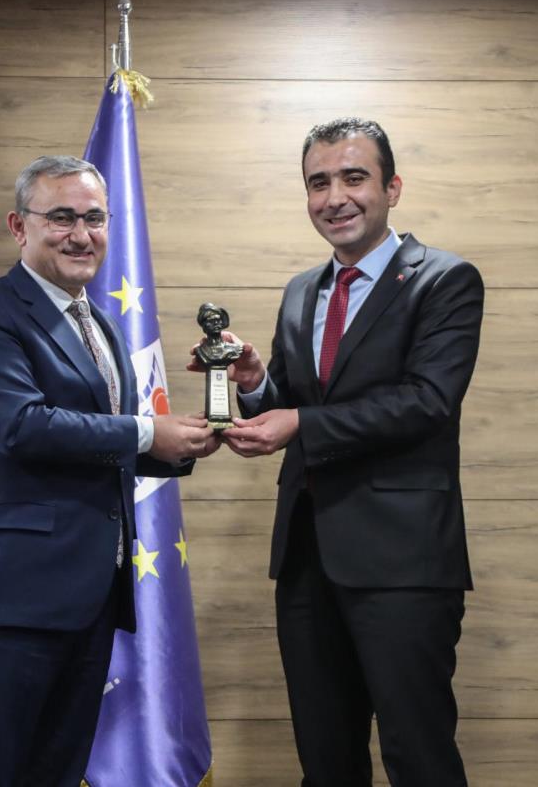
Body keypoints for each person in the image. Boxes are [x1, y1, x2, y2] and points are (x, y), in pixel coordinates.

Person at [194, 118, 484, 786]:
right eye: (318, 182)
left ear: (392, 187)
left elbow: (427, 402)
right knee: (325, 762)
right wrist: (254, 384)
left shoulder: (445, 279)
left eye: (354, 178)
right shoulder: (302, 290)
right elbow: (288, 405)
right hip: (307, 559)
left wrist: (298, 421)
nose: (335, 197)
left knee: (419, 757)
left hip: (404, 561)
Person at [0, 155, 220, 787]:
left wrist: (181, 445)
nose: (81, 235)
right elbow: (20, 426)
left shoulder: (101, 326)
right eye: (61, 217)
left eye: (94, 218)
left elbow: (96, 444)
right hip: (9, 600)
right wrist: (149, 431)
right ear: (19, 226)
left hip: (89, 599)